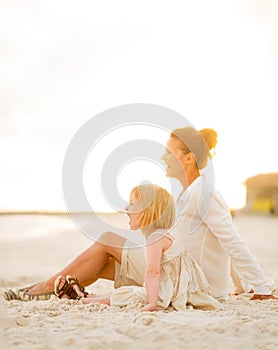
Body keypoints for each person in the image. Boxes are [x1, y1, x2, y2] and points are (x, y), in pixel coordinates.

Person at [3, 126, 276, 301]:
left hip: (190, 280)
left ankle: (39, 289)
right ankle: (51, 290)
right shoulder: (189, 193)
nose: (163, 158)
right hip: (179, 272)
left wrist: (260, 286)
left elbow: (231, 240)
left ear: (188, 158)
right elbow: (220, 242)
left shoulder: (203, 193)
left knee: (108, 239)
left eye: (169, 152)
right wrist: (241, 286)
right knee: (107, 264)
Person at [53, 184, 221, 311]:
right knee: (126, 292)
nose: (127, 208)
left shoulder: (155, 239)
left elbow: (153, 272)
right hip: (180, 288)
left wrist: (152, 302)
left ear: (149, 211)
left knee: (128, 293)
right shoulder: (163, 234)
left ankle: (81, 299)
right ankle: (84, 295)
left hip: (168, 291)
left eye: (132, 204)